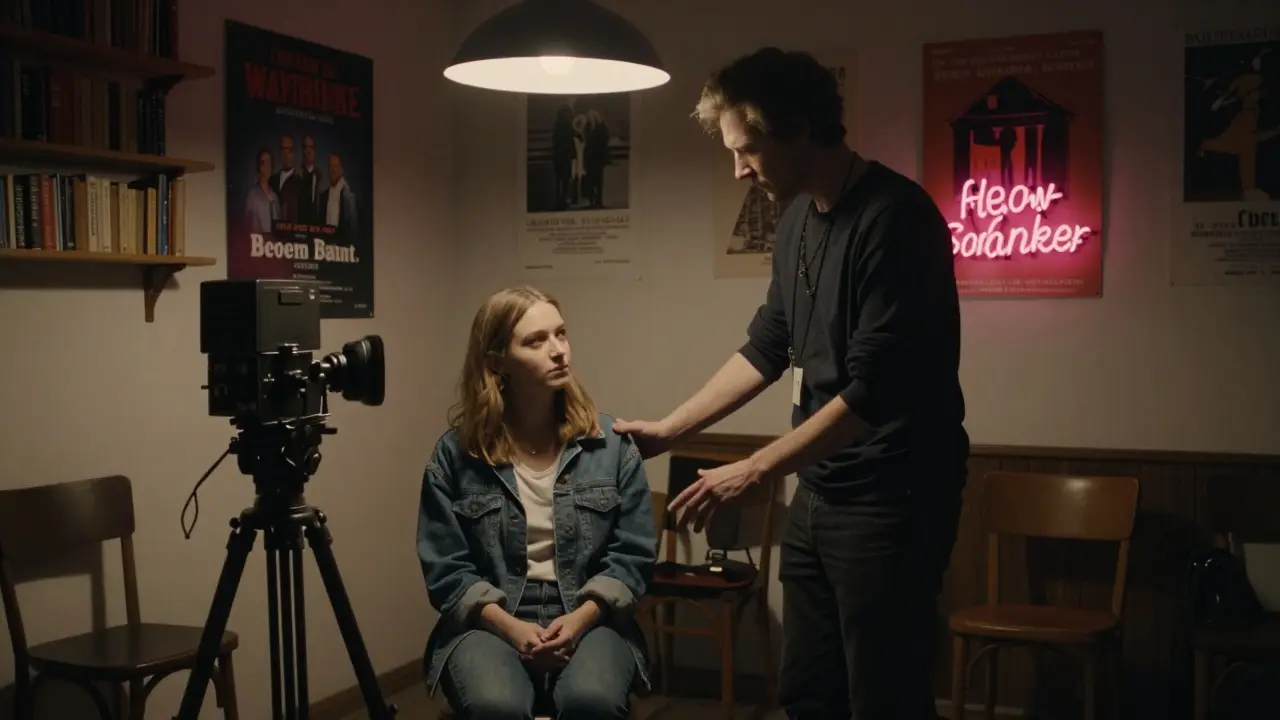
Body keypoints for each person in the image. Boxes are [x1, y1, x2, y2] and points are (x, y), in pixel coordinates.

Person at [614, 47, 969, 720]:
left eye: (747, 149)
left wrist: (756, 469)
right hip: (821, 489)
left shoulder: (896, 219)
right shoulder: (799, 221)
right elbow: (767, 347)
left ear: (801, 128)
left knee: (884, 697)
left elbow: (872, 393)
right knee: (807, 691)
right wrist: (667, 431)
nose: (739, 169)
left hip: (893, 497)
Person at [418, 285, 656, 720]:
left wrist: (580, 620)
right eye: (536, 340)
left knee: (591, 702)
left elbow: (633, 557)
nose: (559, 350)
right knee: (497, 707)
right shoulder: (455, 455)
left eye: (561, 334)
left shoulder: (610, 446)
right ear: (497, 362)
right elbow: (446, 571)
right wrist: (511, 628)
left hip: (590, 613)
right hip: (492, 618)